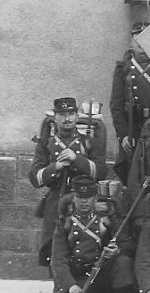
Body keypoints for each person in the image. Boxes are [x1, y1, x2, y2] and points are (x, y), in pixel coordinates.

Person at [41, 176, 134, 293]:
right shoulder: (65, 223)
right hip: (78, 277)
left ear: (95, 198)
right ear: (73, 198)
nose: (84, 202)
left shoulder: (107, 219)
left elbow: (127, 244)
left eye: (88, 197)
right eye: (80, 197)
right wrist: (70, 286)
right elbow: (58, 259)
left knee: (123, 262)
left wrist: (117, 251)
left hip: (100, 276)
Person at [29, 97, 107, 266]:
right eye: (62, 114)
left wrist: (77, 159)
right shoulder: (47, 143)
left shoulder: (87, 141)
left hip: (82, 198)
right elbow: (34, 177)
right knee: (54, 246)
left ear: (77, 116)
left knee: (82, 243)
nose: (67, 119)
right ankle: (59, 285)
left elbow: (100, 171)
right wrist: (54, 167)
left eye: (71, 113)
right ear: (55, 117)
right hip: (55, 199)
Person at [109, 21, 150, 182]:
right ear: (132, 41)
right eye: (138, 39)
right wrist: (123, 135)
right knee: (130, 170)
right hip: (133, 127)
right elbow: (116, 106)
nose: (142, 45)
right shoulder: (123, 68)